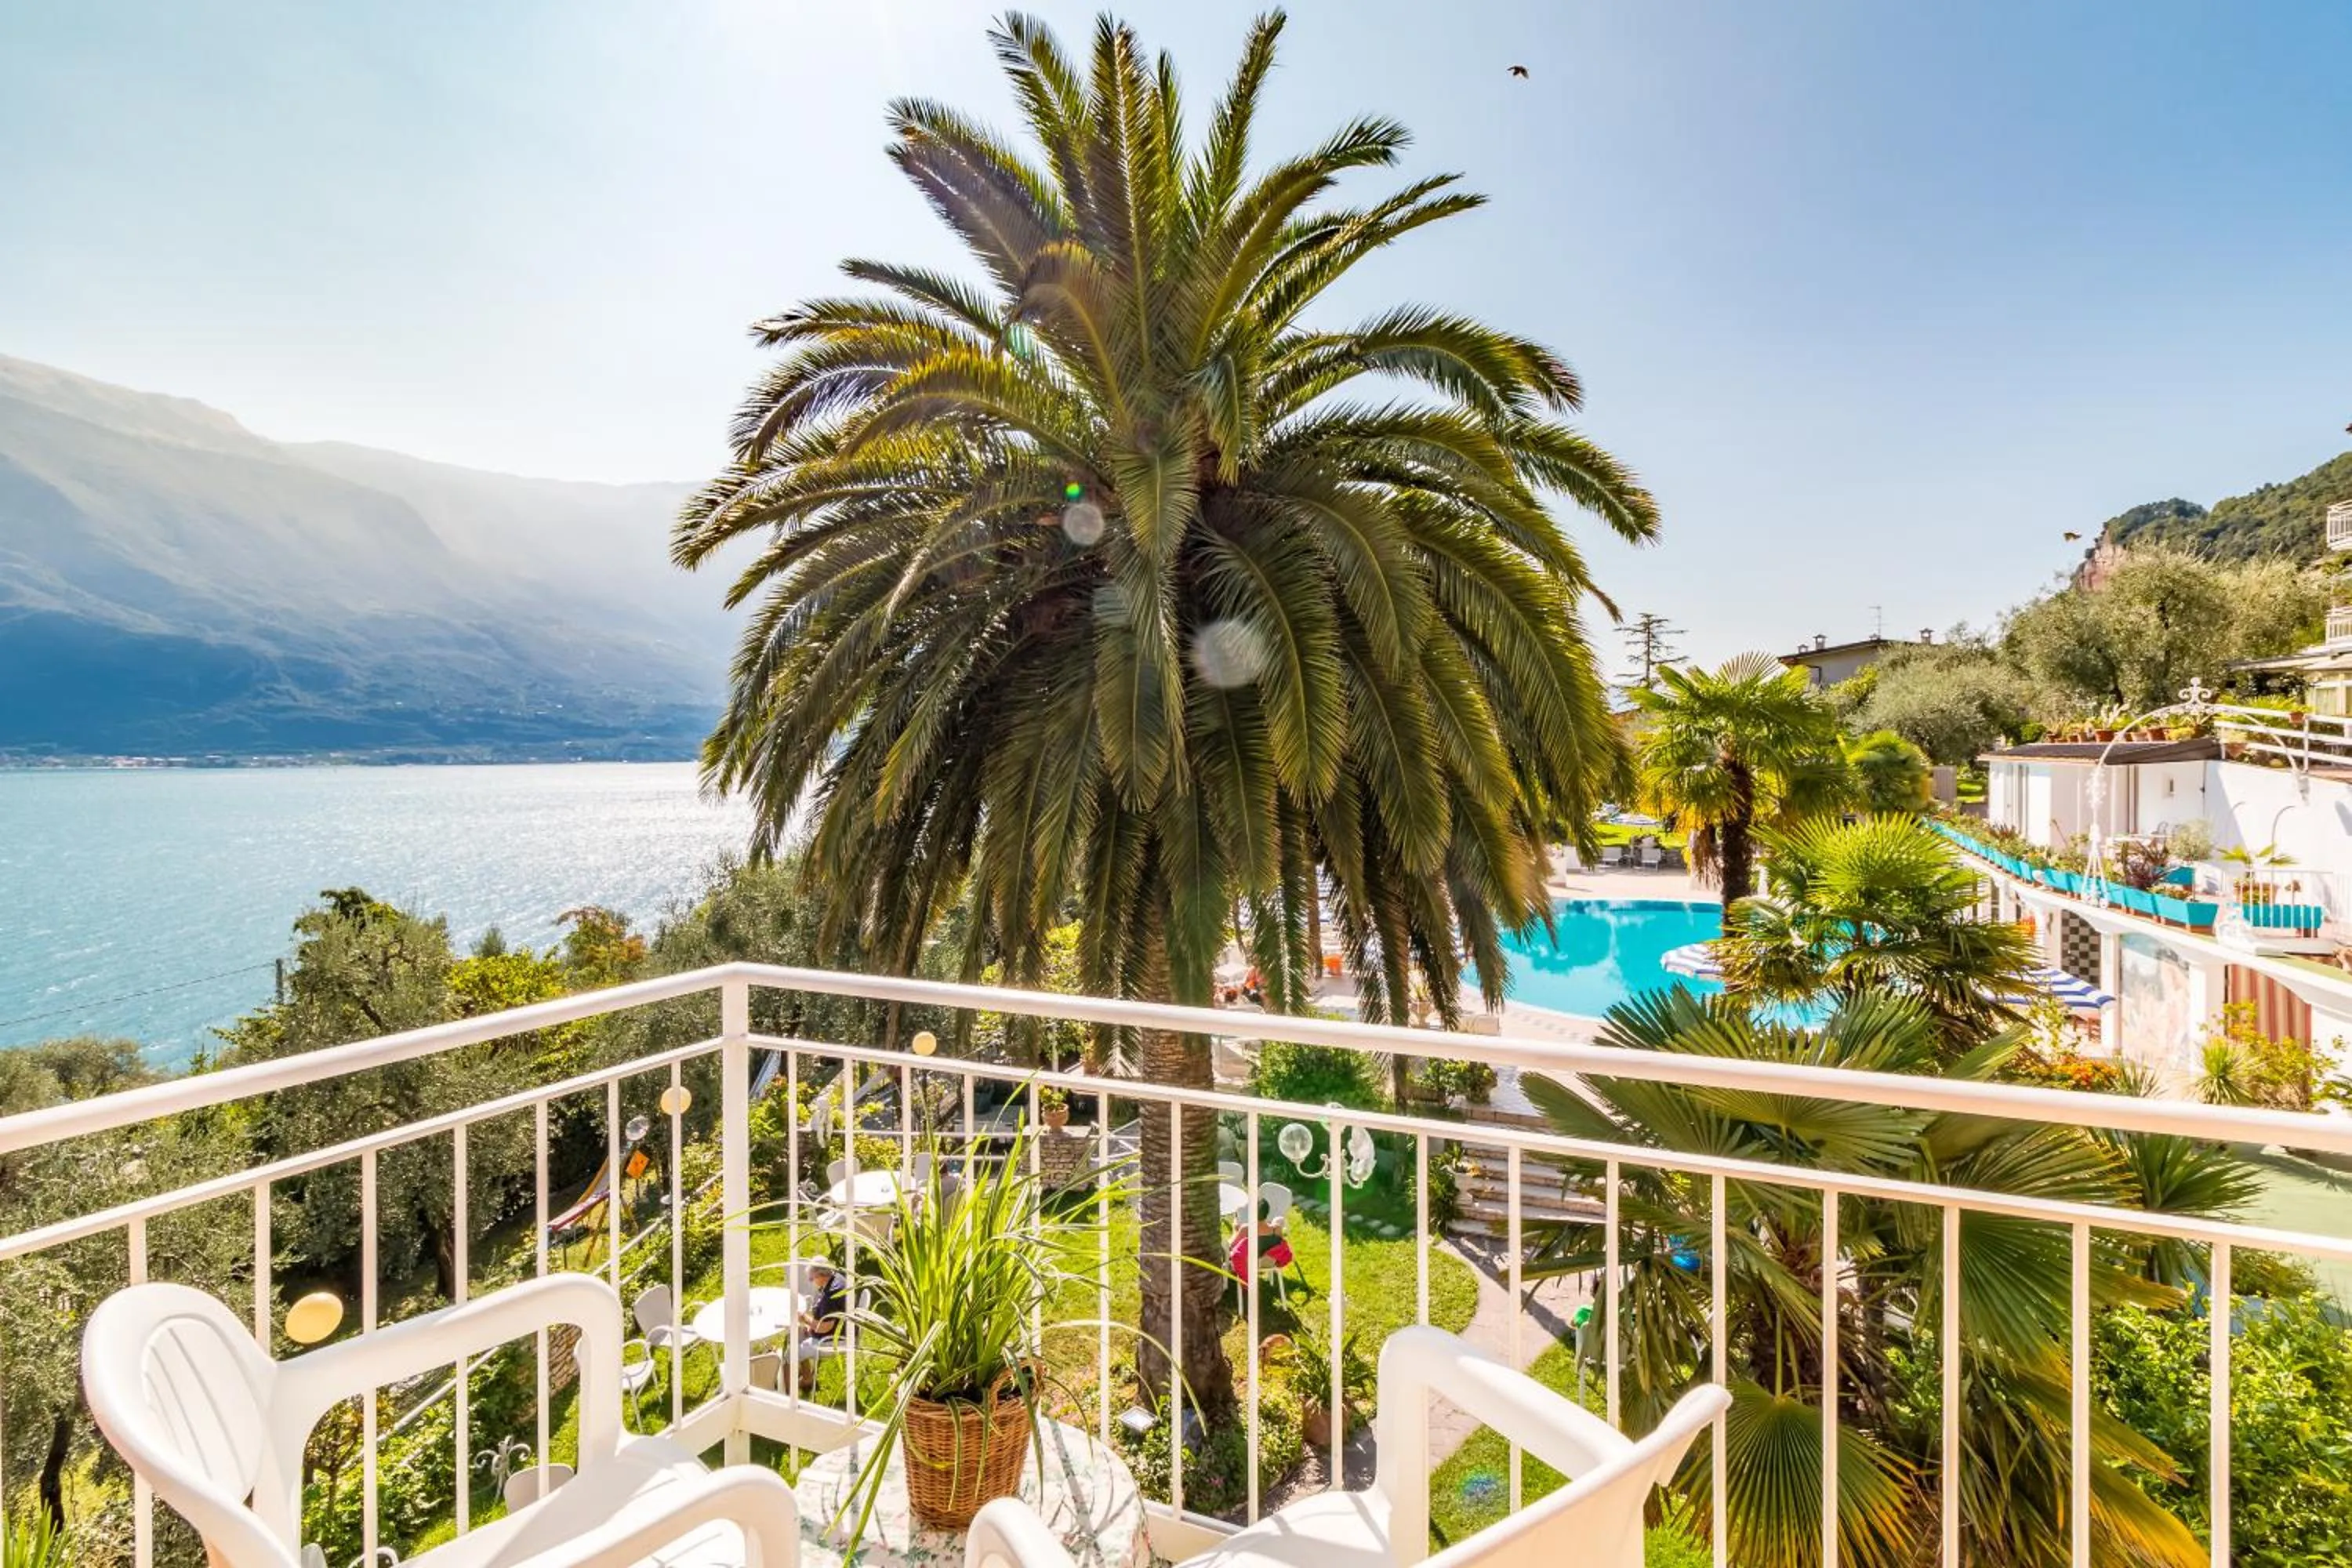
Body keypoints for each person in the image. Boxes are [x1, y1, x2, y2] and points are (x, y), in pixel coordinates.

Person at [797, 1261, 848, 1394]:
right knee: (798, 1333)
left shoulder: (831, 1295)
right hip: (843, 1328)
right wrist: (811, 1324)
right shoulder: (837, 1277)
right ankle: (807, 1374)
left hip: (833, 1340)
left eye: (812, 1278)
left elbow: (824, 1328)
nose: (811, 1281)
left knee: (791, 1353)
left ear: (821, 1275)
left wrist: (806, 1319)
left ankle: (793, 1388)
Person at [1228, 1197, 1293, 1288]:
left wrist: (1235, 1231)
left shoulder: (1246, 1229)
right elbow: (1280, 1245)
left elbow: (1231, 1246)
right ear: (1267, 1212)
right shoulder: (1277, 1229)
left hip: (1248, 1264)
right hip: (1269, 1263)